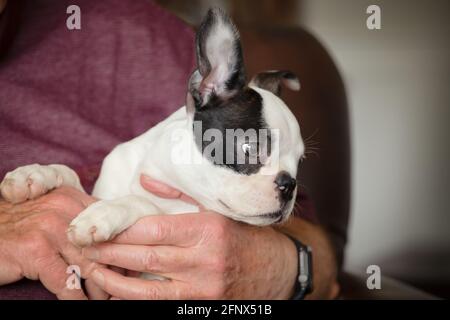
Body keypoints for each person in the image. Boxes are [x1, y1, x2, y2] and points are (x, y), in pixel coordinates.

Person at [0, 0, 339, 299]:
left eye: (294, 163)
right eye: (251, 151)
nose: (285, 180)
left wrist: (280, 268)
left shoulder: (142, 32)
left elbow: (321, 261)